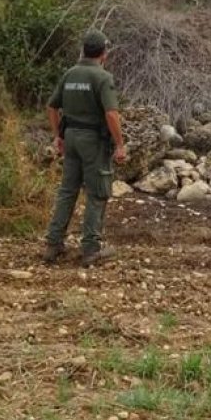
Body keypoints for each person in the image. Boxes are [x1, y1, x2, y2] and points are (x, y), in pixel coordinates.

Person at [42, 29, 127, 267]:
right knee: (97, 193)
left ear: (83, 50)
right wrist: (120, 144)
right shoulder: (103, 78)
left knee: (67, 191)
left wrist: (58, 136)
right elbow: (111, 114)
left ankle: (53, 244)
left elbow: (51, 107)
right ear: (103, 53)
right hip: (93, 141)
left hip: (70, 137)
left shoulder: (70, 74)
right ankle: (91, 249)